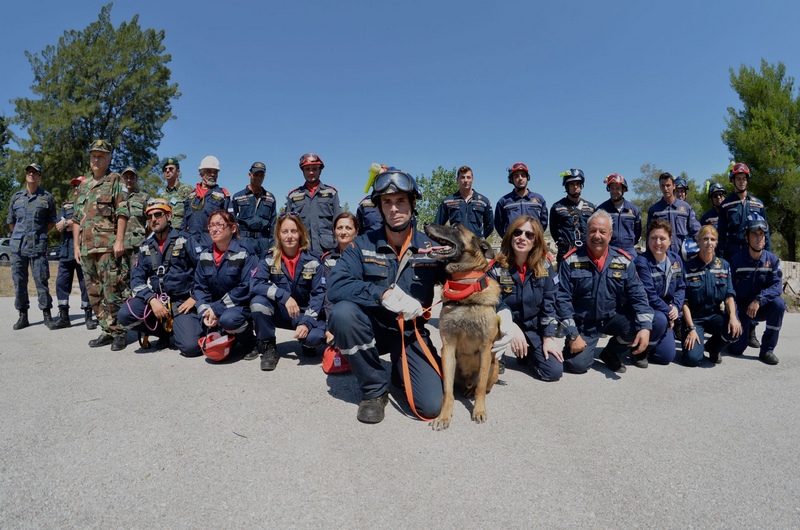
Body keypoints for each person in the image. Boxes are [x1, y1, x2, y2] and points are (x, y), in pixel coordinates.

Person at [327, 169, 517, 424]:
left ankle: (399, 370)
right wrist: (381, 293)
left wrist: (502, 309)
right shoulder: (362, 245)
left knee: (430, 406)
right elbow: (336, 285)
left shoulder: (432, 248)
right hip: (372, 330)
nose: (394, 209)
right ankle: (373, 389)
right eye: (387, 203)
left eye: (401, 201)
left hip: (410, 334)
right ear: (380, 208)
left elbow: (468, 277)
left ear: (412, 203)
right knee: (342, 314)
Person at [556, 210, 655, 374]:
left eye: (602, 232)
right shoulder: (570, 260)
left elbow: (638, 295)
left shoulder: (623, 260)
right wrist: (573, 334)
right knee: (576, 366)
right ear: (585, 233)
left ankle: (611, 353)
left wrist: (645, 327)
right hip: (584, 323)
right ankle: (575, 344)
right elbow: (561, 299)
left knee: (646, 324)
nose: (597, 236)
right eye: (592, 231)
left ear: (610, 235)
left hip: (612, 317)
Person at [118, 198, 202, 356]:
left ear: (169, 216)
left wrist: (195, 297)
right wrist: (151, 299)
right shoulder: (145, 248)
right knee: (125, 314)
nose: (153, 220)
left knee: (190, 347)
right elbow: (136, 280)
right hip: (158, 301)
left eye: (158, 215)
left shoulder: (185, 240)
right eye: (149, 217)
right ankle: (163, 333)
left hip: (183, 302)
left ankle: (188, 326)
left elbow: (204, 271)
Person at [489, 215, 562, 381]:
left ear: (535, 241)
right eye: (518, 232)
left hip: (531, 327)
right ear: (510, 236)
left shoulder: (545, 266)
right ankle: (495, 357)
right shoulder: (495, 267)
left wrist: (548, 338)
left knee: (553, 371)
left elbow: (549, 304)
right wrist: (510, 326)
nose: (522, 237)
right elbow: (492, 303)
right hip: (500, 327)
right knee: (485, 373)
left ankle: (526, 354)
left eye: (529, 235)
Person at [72, 140, 130, 350]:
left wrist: (120, 240)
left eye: (101, 156)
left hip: (107, 246)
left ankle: (120, 332)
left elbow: (123, 211)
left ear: (109, 159)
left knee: (112, 290)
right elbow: (77, 219)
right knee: (93, 292)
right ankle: (106, 329)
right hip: (86, 248)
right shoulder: (84, 186)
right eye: (93, 156)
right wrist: (76, 247)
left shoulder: (115, 179)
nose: (96, 159)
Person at [250, 213, 327, 370]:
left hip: (304, 312)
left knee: (314, 339)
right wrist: (284, 296)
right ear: (279, 234)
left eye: (294, 231)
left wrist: (307, 322)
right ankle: (268, 346)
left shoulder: (313, 260)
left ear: (301, 233)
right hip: (282, 311)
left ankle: (306, 341)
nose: (289, 236)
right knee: (258, 303)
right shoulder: (269, 258)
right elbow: (255, 283)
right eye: (285, 231)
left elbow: (318, 294)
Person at [717, 162, 770, 349]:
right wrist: (720, 258)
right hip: (733, 254)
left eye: (744, 178)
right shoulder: (726, 205)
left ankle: (751, 331)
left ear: (748, 180)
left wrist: (768, 254)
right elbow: (721, 234)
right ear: (733, 181)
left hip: (754, 254)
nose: (741, 182)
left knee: (755, 287)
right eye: (738, 179)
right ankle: (735, 324)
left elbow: (766, 232)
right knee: (734, 290)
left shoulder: (758, 204)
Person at [194, 210, 258, 350]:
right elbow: (199, 287)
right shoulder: (205, 255)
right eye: (211, 226)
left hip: (239, 307)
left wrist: (217, 309)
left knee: (229, 320)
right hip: (213, 308)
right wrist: (205, 311)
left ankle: (250, 343)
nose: (214, 230)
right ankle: (226, 334)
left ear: (233, 228)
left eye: (219, 225)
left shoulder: (245, 252)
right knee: (192, 347)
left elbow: (246, 287)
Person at [681, 225, 742, 366]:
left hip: (714, 315)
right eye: (705, 239)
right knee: (692, 360)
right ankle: (695, 346)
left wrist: (733, 316)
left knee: (735, 331)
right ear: (698, 241)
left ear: (716, 242)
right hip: (695, 318)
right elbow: (684, 302)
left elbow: (729, 295)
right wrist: (691, 328)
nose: (709, 242)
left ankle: (712, 348)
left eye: (712, 239)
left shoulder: (724, 265)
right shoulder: (687, 267)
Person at [7, 162, 57, 330]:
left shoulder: (47, 198)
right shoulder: (16, 197)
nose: (31, 174)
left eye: (35, 172)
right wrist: (19, 237)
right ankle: (23, 315)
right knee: (19, 281)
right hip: (18, 248)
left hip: (38, 246)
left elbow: (51, 222)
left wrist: (39, 234)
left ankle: (47, 315)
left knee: (42, 281)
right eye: (29, 172)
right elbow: (11, 223)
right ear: (26, 175)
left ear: (39, 177)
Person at [729, 215, 783, 364]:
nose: (759, 238)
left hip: (761, 306)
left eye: (761, 234)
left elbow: (777, 287)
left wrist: (759, 299)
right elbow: (730, 290)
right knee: (736, 349)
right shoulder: (736, 260)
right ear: (746, 237)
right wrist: (733, 315)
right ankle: (742, 336)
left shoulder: (772, 260)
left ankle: (767, 350)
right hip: (742, 308)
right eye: (754, 234)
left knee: (779, 304)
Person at [633, 219, 686, 366]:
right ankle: (640, 350)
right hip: (649, 311)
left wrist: (676, 306)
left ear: (670, 240)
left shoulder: (676, 260)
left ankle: (651, 344)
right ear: (648, 239)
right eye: (653, 238)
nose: (657, 242)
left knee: (665, 357)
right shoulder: (641, 262)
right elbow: (649, 295)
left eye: (662, 238)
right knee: (660, 320)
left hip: (667, 310)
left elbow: (681, 287)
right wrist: (669, 312)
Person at [50, 176, 95, 330]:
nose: (76, 188)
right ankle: (64, 316)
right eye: (74, 186)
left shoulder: (91, 204)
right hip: (66, 251)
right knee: (61, 283)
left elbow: (88, 224)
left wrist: (68, 223)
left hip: (83, 251)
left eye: (79, 185)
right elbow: (59, 226)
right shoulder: (66, 207)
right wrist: (71, 224)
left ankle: (89, 315)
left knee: (85, 284)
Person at [284, 153, 342, 255]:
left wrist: (339, 247)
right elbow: (286, 225)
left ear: (320, 170)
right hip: (301, 250)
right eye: (307, 169)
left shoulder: (331, 193)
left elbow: (339, 223)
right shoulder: (293, 195)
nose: (311, 172)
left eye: (314, 169)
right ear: (303, 171)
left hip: (328, 251)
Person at [182, 156, 232, 249]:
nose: (212, 174)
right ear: (201, 175)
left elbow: (230, 222)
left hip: (211, 245)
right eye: (209, 171)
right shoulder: (191, 196)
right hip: (189, 243)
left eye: (215, 172)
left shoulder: (223, 195)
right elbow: (184, 223)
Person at [433, 165, 494, 239]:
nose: (465, 180)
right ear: (457, 180)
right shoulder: (448, 201)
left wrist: (478, 239)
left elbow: (490, 225)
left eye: (468, 177)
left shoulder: (483, 201)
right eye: (462, 177)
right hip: (456, 244)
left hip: (475, 246)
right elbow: (437, 225)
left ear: (473, 180)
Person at [647, 172, 701, 255]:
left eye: (668, 185)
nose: (665, 189)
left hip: (683, 256)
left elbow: (696, 231)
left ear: (674, 186)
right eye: (663, 186)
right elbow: (649, 236)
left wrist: (701, 247)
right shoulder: (654, 210)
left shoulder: (686, 207)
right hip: (662, 255)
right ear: (660, 187)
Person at [549, 169, 596, 264]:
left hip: (586, 251)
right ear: (566, 186)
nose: (575, 187)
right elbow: (554, 230)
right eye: (572, 184)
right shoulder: (557, 207)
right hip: (565, 251)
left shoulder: (590, 207)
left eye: (578, 184)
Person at [232, 161, 277, 259]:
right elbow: (232, 221)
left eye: (261, 175)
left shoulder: (270, 198)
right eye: (256, 174)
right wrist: (234, 242)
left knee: (263, 272)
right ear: (249, 174)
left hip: (263, 242)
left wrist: (273, 245)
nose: (258, 178)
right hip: (244, 240)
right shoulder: (238, 197)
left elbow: (274, 223)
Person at [322, 212, 360, 323]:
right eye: (339, 228)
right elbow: (327, 294)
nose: (343, 232)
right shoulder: (327, 259)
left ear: (356, 232)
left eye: (348, 228)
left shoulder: (364, 257)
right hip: (335, 312)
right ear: (334, 231)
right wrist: (331, 322)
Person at [494, 162, 548, 237]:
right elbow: (499, 224)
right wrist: (508, 239)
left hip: (533, 243)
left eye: (523, 175)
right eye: (516, 176)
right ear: (511, 179)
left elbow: (544, 222)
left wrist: (536, 237)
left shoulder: (539, 199)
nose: (520, 178)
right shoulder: (503, 201)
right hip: (512, 245)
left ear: (527, 178)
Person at [597, 173, 642, 257]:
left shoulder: (634, 210)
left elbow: (638, 231)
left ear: (623, 189)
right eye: (612, 188)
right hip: (608, 252)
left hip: (629, 253)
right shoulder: (601, 210)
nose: (614, 191)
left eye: (617, 188)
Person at [121, 167, 149, 267]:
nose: (129, 180)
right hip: (120, 246)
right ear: (122, 179)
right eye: (126, 177)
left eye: (132, 177)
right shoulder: (117, 197)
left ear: (136, 179)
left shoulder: (144, 198)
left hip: (137, 246)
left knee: (137, 276)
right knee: (121, 279)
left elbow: (152, 221)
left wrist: (144, 235)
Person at [161, 158, 193, 230]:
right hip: (167, 234)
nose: (167, 171)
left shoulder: (187, 189)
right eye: (165, 169)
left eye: (171, 169)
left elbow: (194, 212)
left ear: (178, 172)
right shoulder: (162, 195)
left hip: (182, 233)